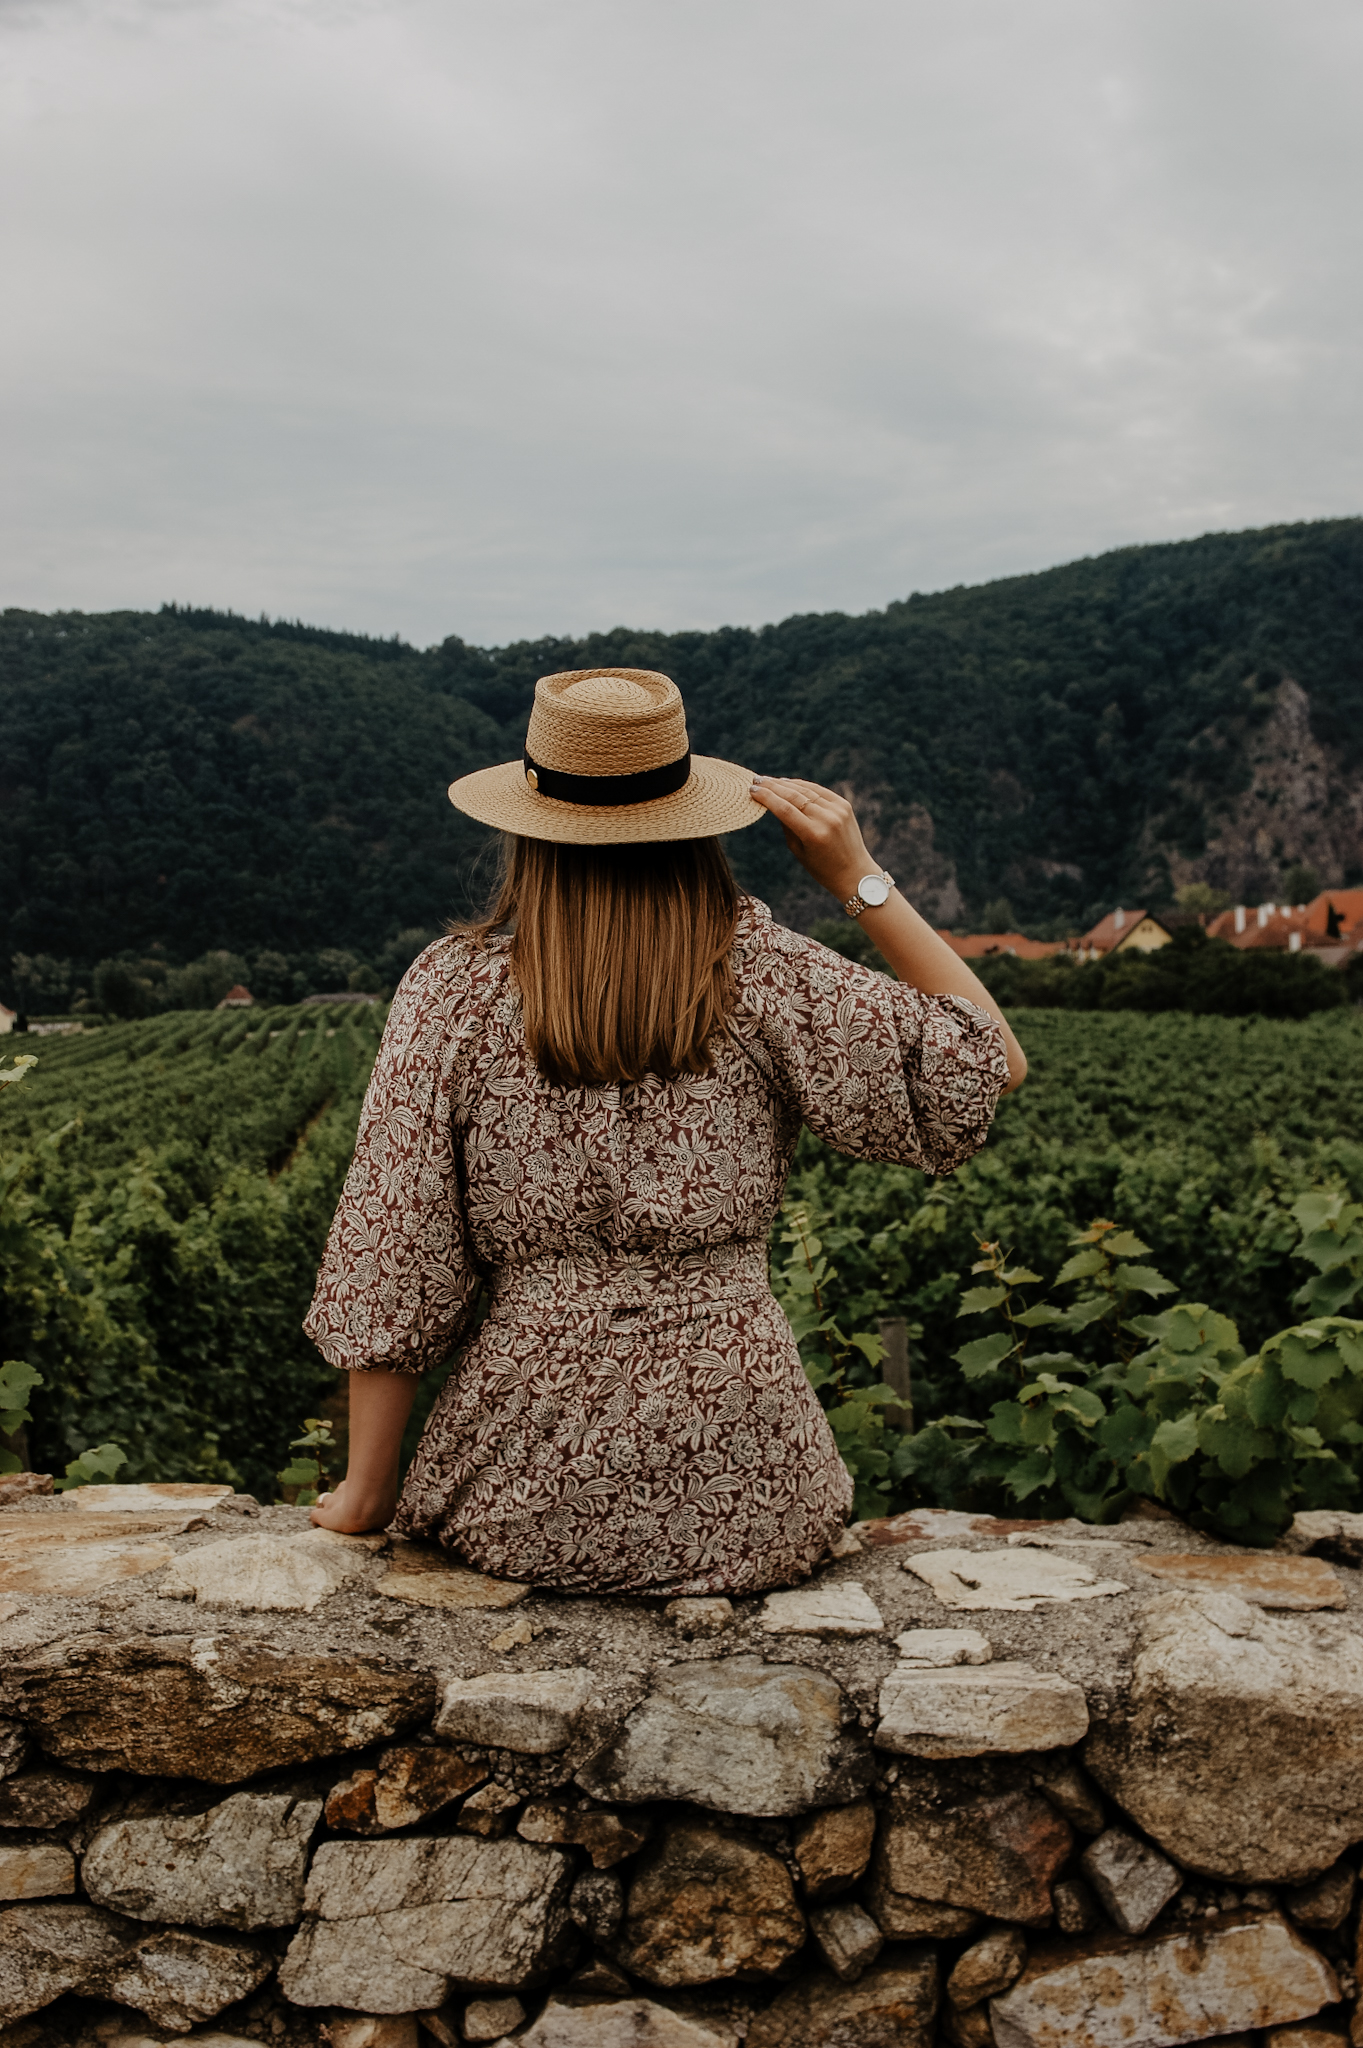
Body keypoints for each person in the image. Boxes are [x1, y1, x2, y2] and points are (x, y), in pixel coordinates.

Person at [306, 666, 1025, 1595]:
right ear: (691, 819)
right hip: (756, 1491)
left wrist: (368, 1489)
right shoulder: (757, 966)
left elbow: (396, 1243)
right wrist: (857, 879)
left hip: (522, 1489)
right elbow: (989, 1062)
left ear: (530, 823)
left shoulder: (452, 988)